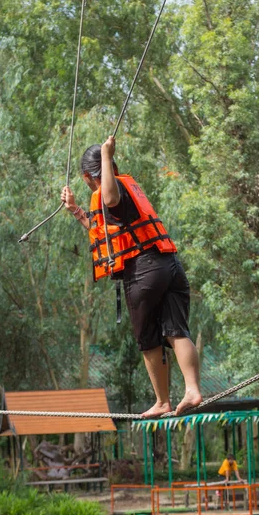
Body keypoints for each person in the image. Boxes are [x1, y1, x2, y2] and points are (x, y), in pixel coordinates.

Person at [61, 136, 202, 418]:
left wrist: (104, 153)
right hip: (169, 263)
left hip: (144, 272)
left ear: (88, 176)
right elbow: (108, 233)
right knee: (176, 330)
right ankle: (192, 389)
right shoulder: (126, 186)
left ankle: (163, 401)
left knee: (148, 339)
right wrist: (76, 211)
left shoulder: (112, 190)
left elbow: (108, 198)